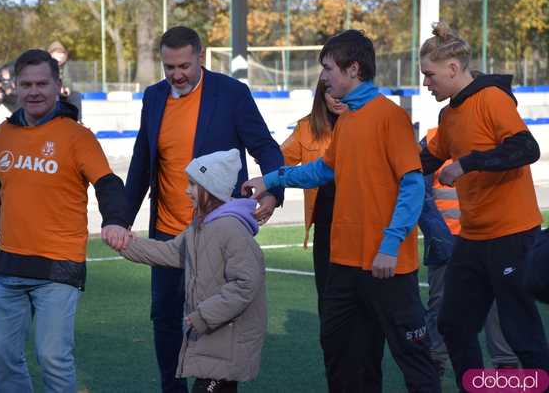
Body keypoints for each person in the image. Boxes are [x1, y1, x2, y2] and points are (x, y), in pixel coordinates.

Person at [242, 29, 440, 393]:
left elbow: (412, 187)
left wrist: (390, 245)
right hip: (344, 265)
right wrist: (270, 179)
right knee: (341, 352)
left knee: (414, 359)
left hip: (387, 265)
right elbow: (322, 170)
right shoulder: (347, 120)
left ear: (353, 69)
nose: (323, 77)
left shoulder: (390, 117)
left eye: (328, 68)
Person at [122, 26, 284, 393]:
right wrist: (120, 221)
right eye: (169, 67)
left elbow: (265, 146)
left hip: (216, 235)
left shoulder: (231, 94)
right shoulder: (154, 97)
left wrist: (273, 190)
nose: (177, 74)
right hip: (168, 231)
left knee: (218, 323)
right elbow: (141, 163)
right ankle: (172, 388)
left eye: (183, 65)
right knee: (165, 320)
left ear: (201, 56)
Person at [0, 49, 129, 393]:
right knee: (1, 354)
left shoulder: (77, 136)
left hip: (58, 267)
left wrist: (115, 220)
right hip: (10, 265)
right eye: (26, 84)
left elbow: (108, 184)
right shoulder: (4, 132)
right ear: (16, 88)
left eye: (42, 83)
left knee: (53, 359)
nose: (34, 91)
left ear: (58, 85)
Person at [419, 22, 549, 389]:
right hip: (472, 239)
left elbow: (526, 148)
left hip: (512, 234)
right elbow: (428, 157)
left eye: (429, 75)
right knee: (454, 326)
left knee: (520, 332)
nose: (426, 84)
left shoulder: (492, 99)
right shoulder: (449, 115)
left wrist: (468, 163)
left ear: (453, 69)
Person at [115, 149, 266, 393]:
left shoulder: (230, 229)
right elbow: (170, 252)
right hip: (214, 339)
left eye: (193, 185)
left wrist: (203, 316)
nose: (187, 191)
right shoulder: (200, 227)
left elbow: (245, 284)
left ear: (211, 190)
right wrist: (125, 243)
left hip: (227, 340)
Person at [418, 127, 519, 377]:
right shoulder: (431, 139)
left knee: (497, 301)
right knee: (440, 301)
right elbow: (418, 190)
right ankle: (437, 360)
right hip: (446, 238)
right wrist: (438, 234)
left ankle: (505, 362)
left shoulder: (493, 138)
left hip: (489, 236)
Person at [280, 80, 346, 309]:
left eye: (342, 90)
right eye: (329, 91)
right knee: (328, 301)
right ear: (321, 95)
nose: (337, 97)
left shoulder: (368, 123)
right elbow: (279, 161)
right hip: (325, 226)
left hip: (362, 226)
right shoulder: (307, 127)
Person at [48, 41, 82, 117]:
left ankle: (77, 120)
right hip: (49, 91)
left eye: (61, 55)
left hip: (61, 91)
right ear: (51, 54)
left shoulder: (65, 65)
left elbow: (67, 78)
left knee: (76, 95)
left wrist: (67, 88)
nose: (60, 57)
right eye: (57, 54)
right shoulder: (46, 64)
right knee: (54, 97)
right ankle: (53, 119)